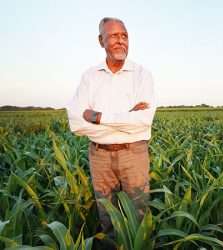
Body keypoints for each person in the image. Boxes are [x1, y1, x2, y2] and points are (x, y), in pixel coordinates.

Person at [66, 17, 156, 233]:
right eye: (114, 35)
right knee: (107, 217)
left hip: (133, 154)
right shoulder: (90, 77)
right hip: (100, 156)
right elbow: (76, 123)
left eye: (124, 36)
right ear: (101, 40)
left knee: (139, 214)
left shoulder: (142, 75)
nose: (120, 40)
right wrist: (126, 117)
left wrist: (98, 117)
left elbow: (143, 121)